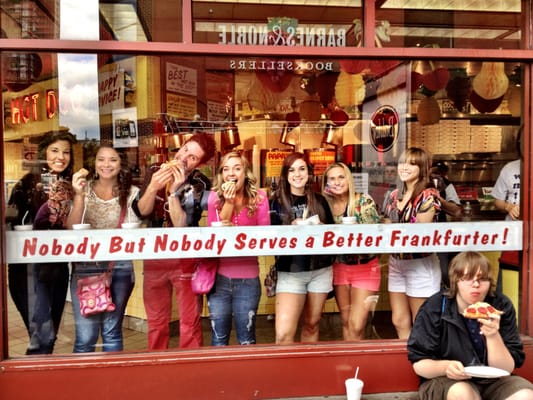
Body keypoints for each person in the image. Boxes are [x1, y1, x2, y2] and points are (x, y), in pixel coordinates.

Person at [407, 251, 533, 400]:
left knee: (526, 395)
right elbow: (419, 364)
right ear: (456, 281)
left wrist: (493, 335)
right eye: (468, 278)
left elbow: (506, 369)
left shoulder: (500, 305)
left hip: (494, 380)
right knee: (463, 394)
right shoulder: (435, 306)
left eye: (483, 279)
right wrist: (446, 367)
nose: (476, 285)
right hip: (446, 380)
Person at [132, 132, 216, 349]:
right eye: (185, 149)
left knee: (189, 321)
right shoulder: (154, 170)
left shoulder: (199, 183)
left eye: (193, 157)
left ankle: (190, 370)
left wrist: (173, 192)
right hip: (155, 256)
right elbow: (142, 212)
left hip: (185, 257)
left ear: (200, 163)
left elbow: (181, 225)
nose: (184, 158)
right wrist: (152, 187)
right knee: (157, 322)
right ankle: (158, 366)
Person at [67, 145, 140, 352]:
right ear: (94, 163)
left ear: (121, 164)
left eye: (113, 160)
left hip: (119, 267)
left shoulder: (132, 193)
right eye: (101, 159)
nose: (106, 165)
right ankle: (83, 384)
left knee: (112, 331)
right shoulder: (84, 188)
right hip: (86, 267)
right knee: (86, 335)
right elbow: (71, 228)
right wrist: (79, 195)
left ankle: (114, 383)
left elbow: (135, 231)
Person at [6, 131, 77, 341]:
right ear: (43, 154)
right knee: (41, 335)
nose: (61, 157)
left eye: (66, 152)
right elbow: (10, 222)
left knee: (50, 335)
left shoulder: (70, 186)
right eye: (55, 150)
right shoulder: (26, 185)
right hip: (28, 271)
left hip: (57, 268)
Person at [269, 152, 334, 344]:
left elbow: (333, 238)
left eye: (302, 169)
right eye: (292, 170)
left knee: (312, 324)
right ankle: (284, 373)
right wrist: (289, 230)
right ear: (285, 174)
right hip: (290, 272)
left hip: (320, 271)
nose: (297, 174)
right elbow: (269, 238)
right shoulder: (276, 203)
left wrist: (323, 231)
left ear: (309, 173)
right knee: (283, 334)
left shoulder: (320, 201)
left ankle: (307, 371)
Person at [206, 151, 270, 346]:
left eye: (237, 168)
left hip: (248, 279)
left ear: (245, 172)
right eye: (226, 169)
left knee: (247, 339)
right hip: (219, 279)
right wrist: (229, 201)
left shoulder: (259, 198)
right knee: (218, 339)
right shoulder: (213, 198)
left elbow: (264, 236)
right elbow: (216, 235)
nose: (231, 173)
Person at [382, 147, 441, 339]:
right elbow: (387, 225)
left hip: (420, 263)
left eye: (411, 164)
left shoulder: (428, 196)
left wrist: (393, 230)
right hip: (396, 262)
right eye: (402, 162)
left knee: (421, 321)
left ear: (422, 168)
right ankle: (404, 359)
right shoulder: (393, 195)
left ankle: (422, 363)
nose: (404, 167)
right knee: (399, 320)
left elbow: (420, 235)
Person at [322, 162, 381, 340]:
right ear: (326, 183)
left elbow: (376, 237)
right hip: (339, 267)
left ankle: (357, 365)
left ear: (349, 179)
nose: (337, 182)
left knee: (356, 325)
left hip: (365, 267)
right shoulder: (326, 206)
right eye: (332, 178)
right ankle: (351, 364)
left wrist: (359, 230)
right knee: (346, 322)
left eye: (341, 177)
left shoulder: (363, 201)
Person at [431, 160, 463, 288]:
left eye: (440, 173)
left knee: (443, 273)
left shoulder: (446, 185)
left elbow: (456, 211)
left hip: (440, 236)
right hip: (419, 237)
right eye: (434, 172)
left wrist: (439, 200)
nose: (437, 176)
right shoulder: (415, 184)